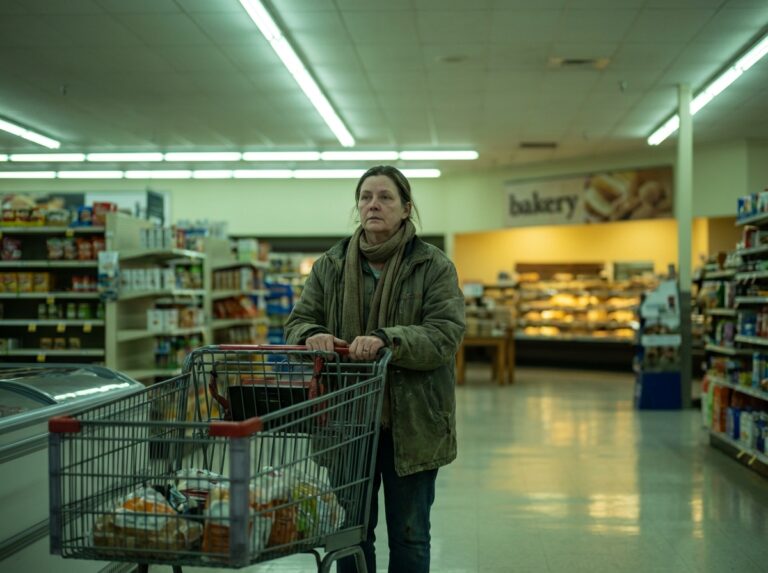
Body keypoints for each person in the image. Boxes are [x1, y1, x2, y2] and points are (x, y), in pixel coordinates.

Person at [285, 165, 466, 573]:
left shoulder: (432, 266)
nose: (373, 205)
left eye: (385, 197)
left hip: (414, 423)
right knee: (349, 534)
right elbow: (298, 322)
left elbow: (445, 334)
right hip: (347, 423)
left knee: (410, 536)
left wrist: (388, 339)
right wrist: (312, 334)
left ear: (406, 208)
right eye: (365, 197)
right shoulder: (331, 265)